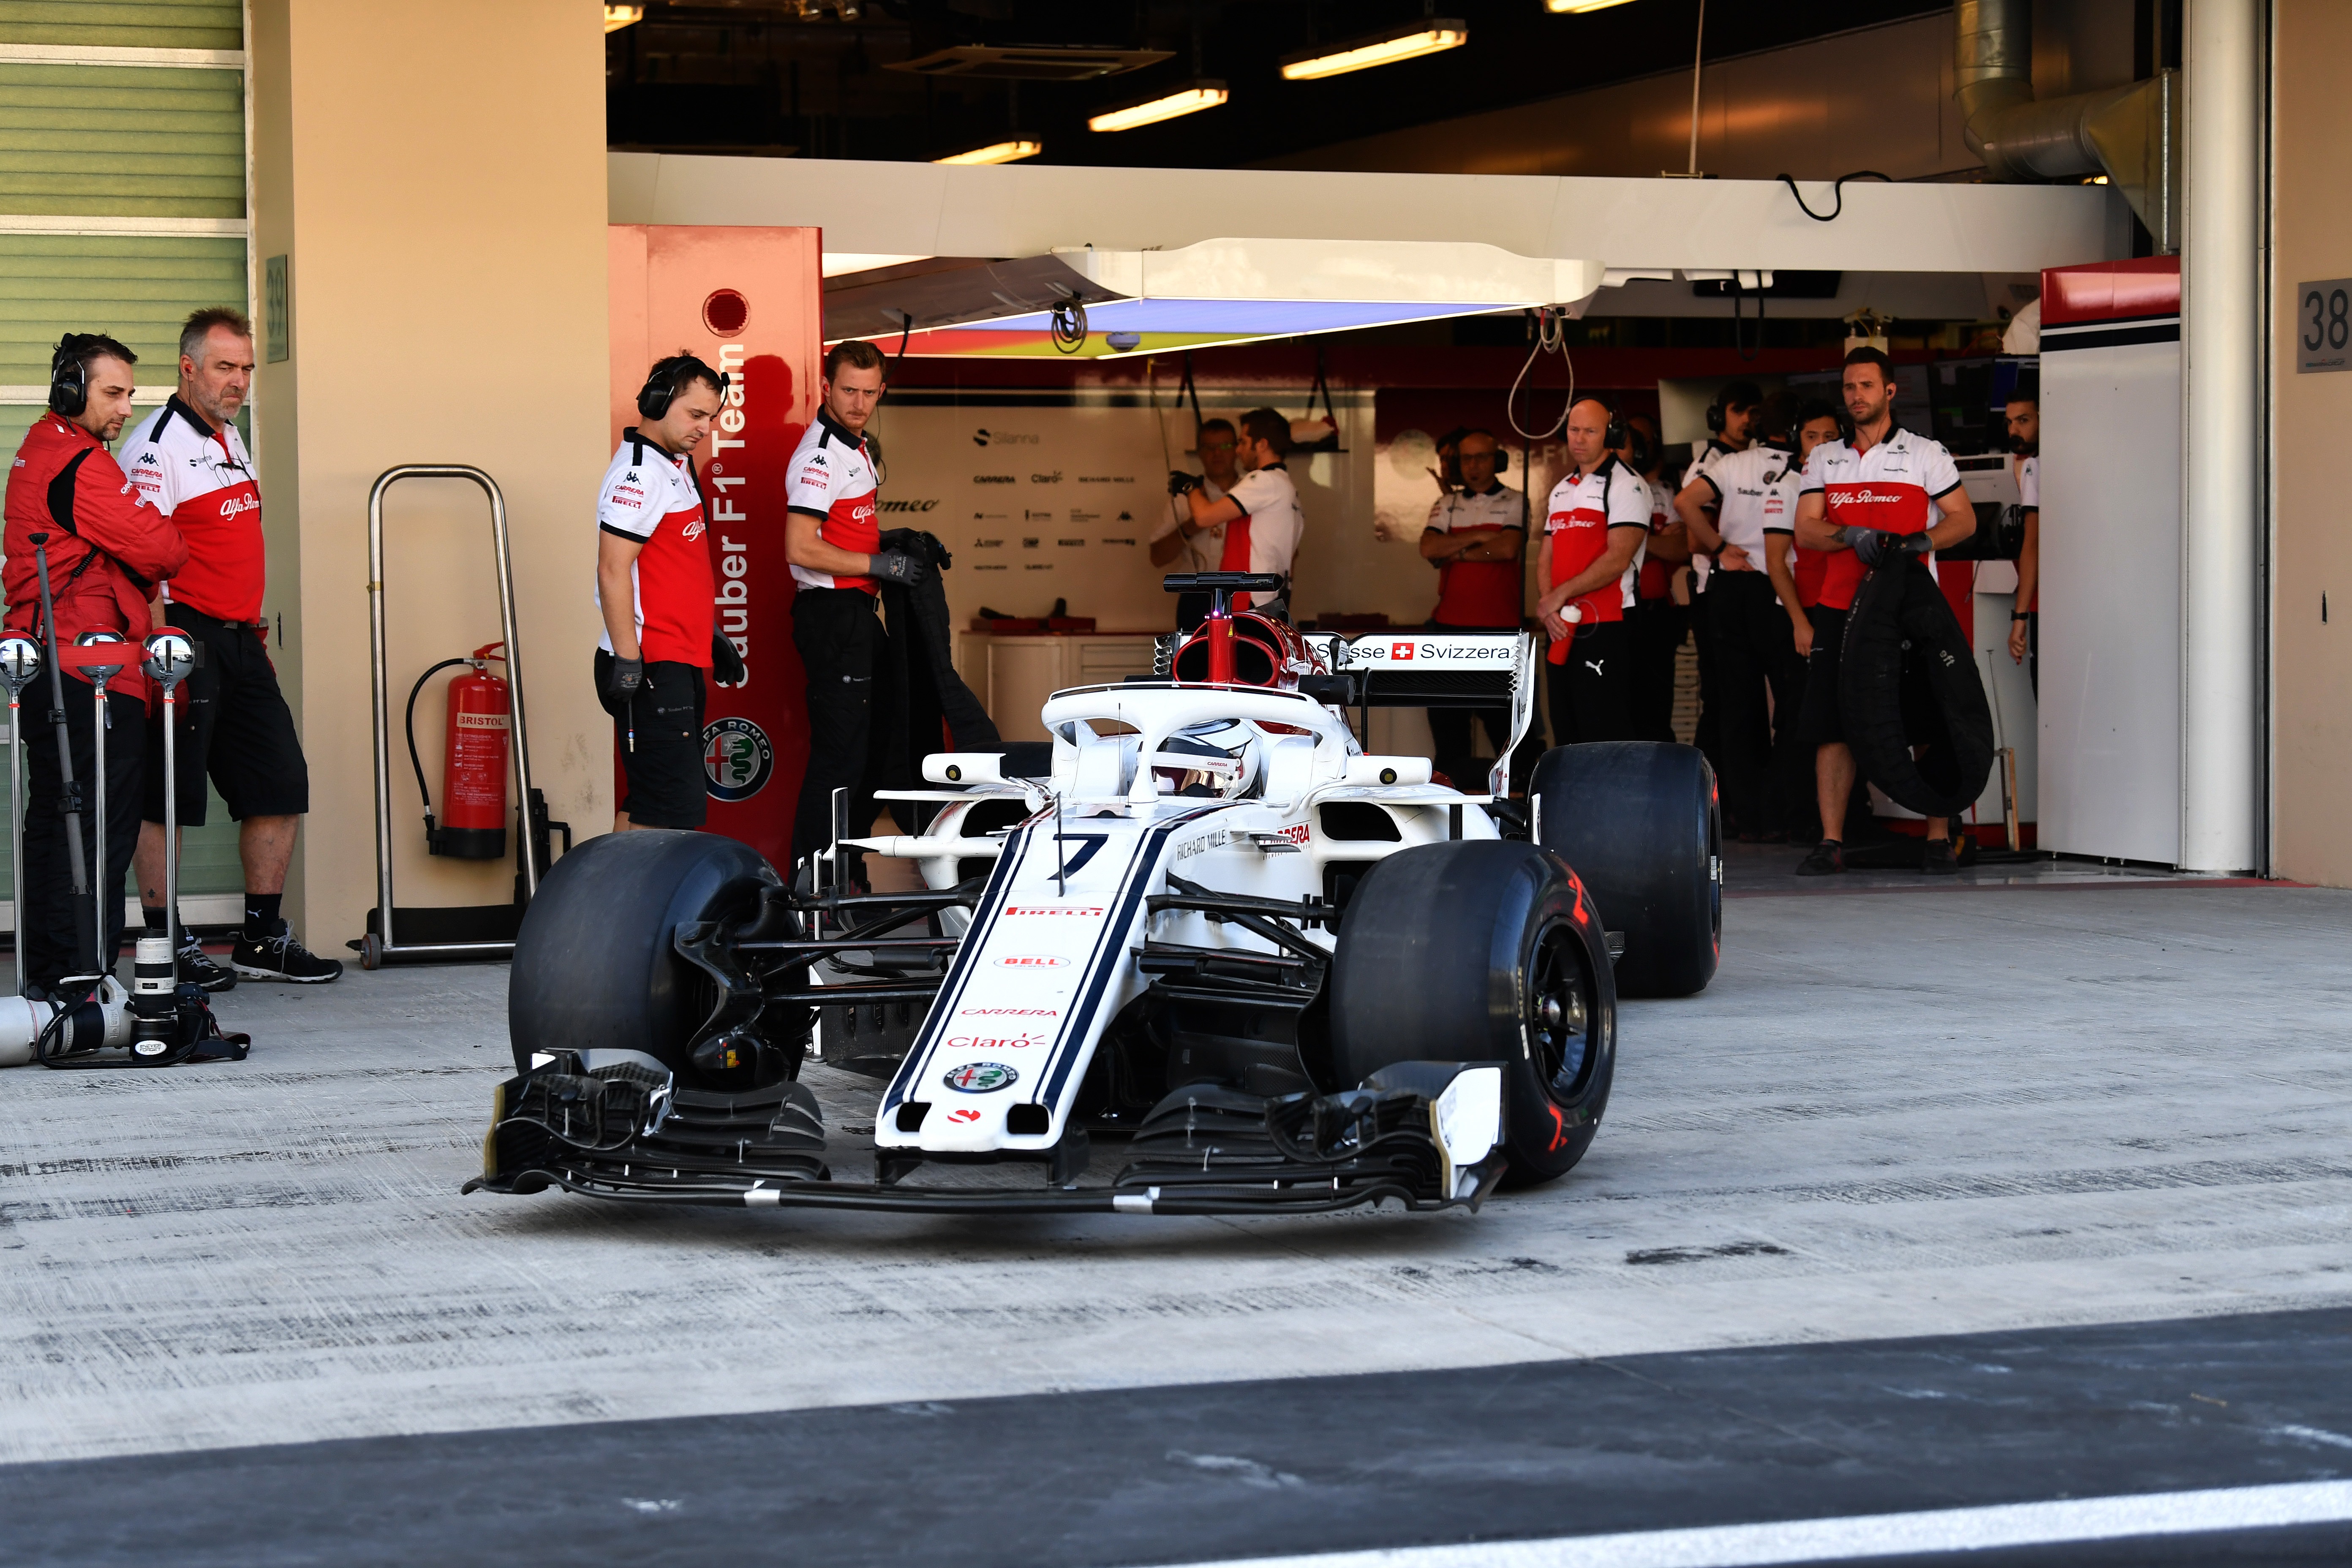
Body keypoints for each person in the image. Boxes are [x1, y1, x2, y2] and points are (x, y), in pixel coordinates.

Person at [124, 308, 339, 987]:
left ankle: (261, 938)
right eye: (226, 367)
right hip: (184, 638)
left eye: (246, 368)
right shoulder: (155, 446)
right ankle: (166, 941)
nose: (240, 381)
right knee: (169, 796)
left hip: (242, 639)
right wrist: (163, 651)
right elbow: (139, 558)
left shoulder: (228, 434)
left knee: (278, 783)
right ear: (188, 369)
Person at [3, 334, 188, 997]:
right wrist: (136, 552)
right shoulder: (80, 464)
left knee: (57, 819)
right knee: (99, 826)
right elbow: (163, 548)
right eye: (113, 394)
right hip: (92, 673)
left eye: (130, 395)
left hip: (55, 663)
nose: (124, 409)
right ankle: (84, 980)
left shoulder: (41, 448)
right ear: (71, 391)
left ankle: (54, 978)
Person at [1791, 348, 1976, 877]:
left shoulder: (1926, 453)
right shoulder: (1825, 457)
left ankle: (1938, 838)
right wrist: (1851, 535)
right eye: (1849, 387)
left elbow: (1962, 521)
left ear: (1890, 391)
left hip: (1910, 610)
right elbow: (1806, 528)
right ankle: (1831, 841)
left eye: (1867, 386)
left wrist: (1921, 541)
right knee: (1833, 727)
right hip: (1839, 608)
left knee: (1929, 720)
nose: (1856, 396)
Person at [784, 339, 930, 873]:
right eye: (849, 390)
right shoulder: (820, 454)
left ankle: (847, 872)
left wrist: (893, 541)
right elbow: (799, 547)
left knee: (875, 749)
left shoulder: (856, 445)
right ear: (826, 388)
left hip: (856, 618)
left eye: (870, 393)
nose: (859, 402)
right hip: (832, 615)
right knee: (840, 757)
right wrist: (878, 566)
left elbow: (842, 529)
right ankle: (811, 887)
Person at [596, 351, 744, 837]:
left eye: (712, 416)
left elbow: (672, 570)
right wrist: (628, 661)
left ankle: (612, 911)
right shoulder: (638, 474)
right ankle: (648, 914)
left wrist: (710, 634)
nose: (705, 427)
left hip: (676, 658)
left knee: (648, 803)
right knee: (671, 814)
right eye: (696, 414)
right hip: (651, 666)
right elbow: (613, 569)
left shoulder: (674, 464)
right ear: (657, 401)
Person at [1675, 409, 1812, 840]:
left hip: (1731, 586)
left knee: (1737, 708)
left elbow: (1685, 502)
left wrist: (1721, 548)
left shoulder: (1733, 463)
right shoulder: (1805, 469)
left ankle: (1749, 817)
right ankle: (1788, 811)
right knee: (1792, 702)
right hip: (1779, 588)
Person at [1535, 397, 1649, 746]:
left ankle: (1612, 802)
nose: (1579, 439)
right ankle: (1572, 802)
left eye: (1590, 431)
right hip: (1563, 625)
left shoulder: (1628, 485)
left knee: (1604, 729)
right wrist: (1550, 605)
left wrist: (1558, 596)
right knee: (1565, 727)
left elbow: (1618, 559)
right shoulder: (1561, 489)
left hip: (1609, 623)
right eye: (1573, 430)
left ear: (1610, 434)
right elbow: (1545, 558)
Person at [1417, 428, 1526, 781]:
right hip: (1450, 626)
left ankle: (1517, 803)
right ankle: (1451, 799)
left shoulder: (1515, 500)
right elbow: (1429, 549)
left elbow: (1508, 549)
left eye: (1482, 457)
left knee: (1505, 726)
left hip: (1502, 629)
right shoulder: (1447, 504)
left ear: (1498, 461)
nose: (1474, 465)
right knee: (1449, 725)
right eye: (1467, 458)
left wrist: (1457, 548)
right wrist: (1481, 538)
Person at [1761, 400, 1846, 843]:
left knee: (1839, 715)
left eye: (1831, 437)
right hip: (1800, 614)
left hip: (1840, 609)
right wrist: (1799, 622)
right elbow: (1777, 564)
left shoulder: (1849, 481)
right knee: (1797, 718)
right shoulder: (1787, 485)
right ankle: (1792, 815)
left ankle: (1838, 815)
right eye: (1813, 436)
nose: (1821, 445)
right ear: (1799, 439)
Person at [1682, 380, 1763, 780]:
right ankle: (1712, 798)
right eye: (1739, 411)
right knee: (1720, 698)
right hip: (1713, 592)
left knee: (1743, 698)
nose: (1748, 420)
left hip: (1747, 590)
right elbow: (1694, 538)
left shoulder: (1756, 461)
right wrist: (1724, 547)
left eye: (1754, 412)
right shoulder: (1708, 465)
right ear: (1719, 417)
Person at [1168, 407, 1306, 620]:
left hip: (1250, 602)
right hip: (1272, 601)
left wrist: (1190, 488)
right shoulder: (1288, 488)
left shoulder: (1263, 480)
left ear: (1261, 445)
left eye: (1243, 442)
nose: (1238, 450)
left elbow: (1204, 517)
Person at [1620, 414, 1689, 743]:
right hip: (1615, 614)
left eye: (1644, 440)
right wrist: (1655, 540)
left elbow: (1681, 548)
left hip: (1657, 612)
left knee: (1657, 711)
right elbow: (1609, 551)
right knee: (1621, 709)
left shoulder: (1664, 493)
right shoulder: (1605, 490)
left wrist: (1636, 543)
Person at [1149, 417, 1237, 572]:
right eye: (1210, 447)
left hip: (1243, 592)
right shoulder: (1183, 498)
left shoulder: (1254, 494)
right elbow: (1157, 558)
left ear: (1237, 450)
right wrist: (1189, 528)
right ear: (1200, 453)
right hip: (1196, 593)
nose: (1217, 453)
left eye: (1225, 446)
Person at [2003, 382, 2040, 691]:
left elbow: (2033, 544)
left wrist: (2020, 616)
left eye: (2024, 420)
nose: (2014, 430)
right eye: (2010, 422)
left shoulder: (2034, 467)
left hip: (2046, 601)